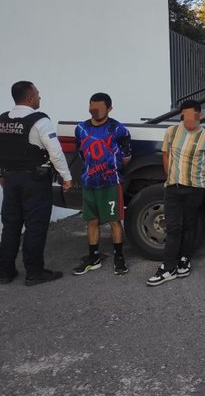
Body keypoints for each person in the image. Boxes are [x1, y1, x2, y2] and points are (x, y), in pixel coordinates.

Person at [0, 81, 72, 286]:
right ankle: (34, 272)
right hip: (34, 181)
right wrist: (66, 177)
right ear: (29, 98)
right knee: (35, 225)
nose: (39, 97)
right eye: (37, 94)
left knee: (11, 225)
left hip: (10, 180)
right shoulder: (40, 121)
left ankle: (5, 271)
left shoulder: (0, 121)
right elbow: (55, 152)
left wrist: (0, 173)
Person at [146, 100, 205, 286]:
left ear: (200, 115)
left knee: (190, 225)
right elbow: (166, 154)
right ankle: (168, 268)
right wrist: (170, 175)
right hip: (173, 186)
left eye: (192, 116)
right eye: (185, 116)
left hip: (195, 187)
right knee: (173, 227)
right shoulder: (172, 132)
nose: (188, 120)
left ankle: (184, 259)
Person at [72, 93, 132, 276]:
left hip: (111, 183)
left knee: (114, 221)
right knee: (92, 221)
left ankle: (119, 257)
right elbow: (82, 153)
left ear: (109, 108)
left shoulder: (118, 129)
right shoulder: (81, 129)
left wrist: (109, 168)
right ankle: (93, 257)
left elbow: (126, 157)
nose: (95, 110)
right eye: (92, 107)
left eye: (99, 107)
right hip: (89, 182)